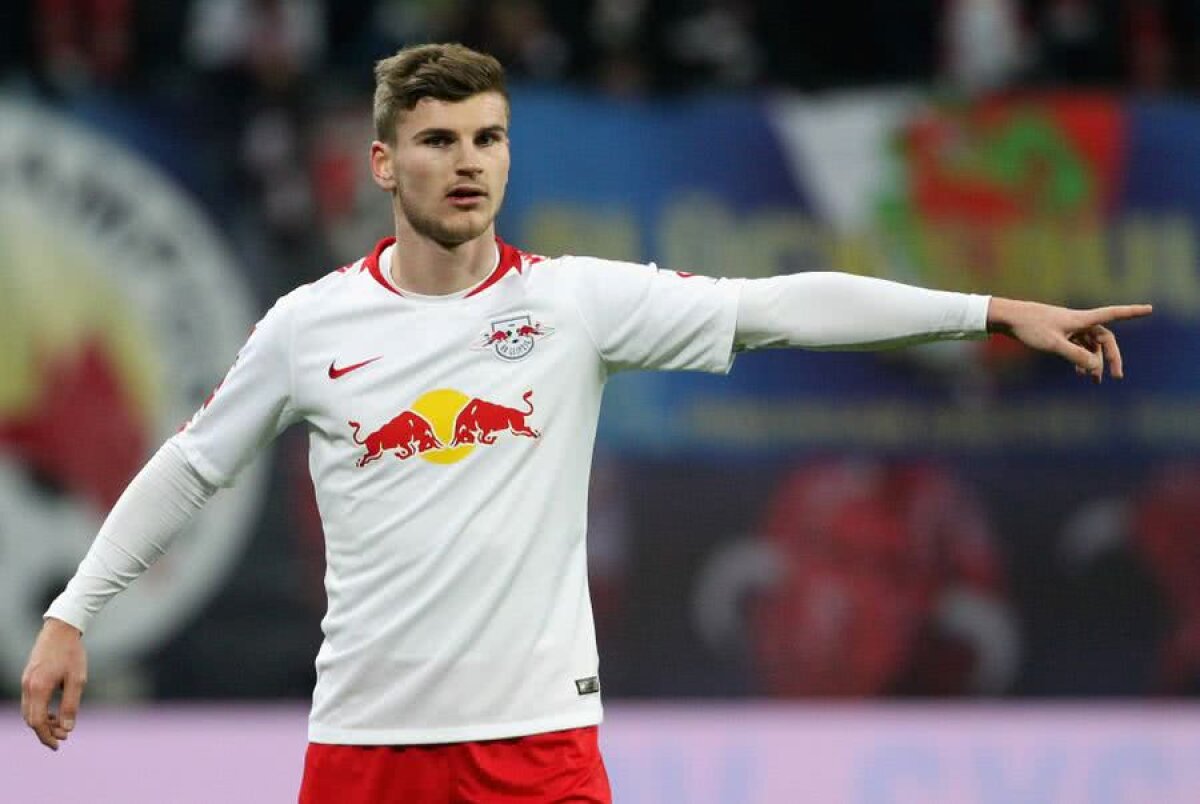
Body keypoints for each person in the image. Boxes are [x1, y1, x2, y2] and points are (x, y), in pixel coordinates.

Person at [20, 42, 1151, 803]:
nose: (468, 163)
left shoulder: (572, 304)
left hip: (535, 749)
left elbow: (781, 307)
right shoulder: (309, 325)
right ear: (383, 163)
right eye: (439, 141)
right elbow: (191, 467)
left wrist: (990, 311)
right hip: (367, 749)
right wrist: (73, 614)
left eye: (488, 138)